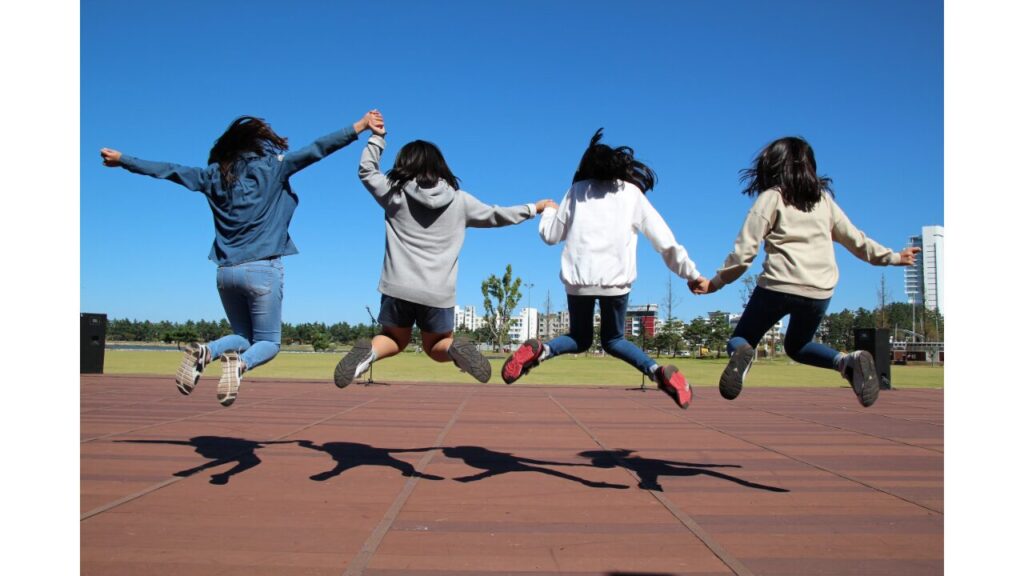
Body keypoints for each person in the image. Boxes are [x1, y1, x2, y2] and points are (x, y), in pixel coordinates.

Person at [100, 111, 385, 406]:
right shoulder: (272, 167)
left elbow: (170, 170)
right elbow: (318, 149)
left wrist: (123, 159)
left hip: (225, 273)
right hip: (262, 269)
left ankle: (207, 351)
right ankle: (239, 366)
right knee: (269, 344)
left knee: (243, 336)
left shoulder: (212, 176)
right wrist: (360, 127)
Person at [691, 136, 920, 407]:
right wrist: (894, 257)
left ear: (772, 166)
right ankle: (847, 361)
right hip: (819, 292)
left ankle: (742, 353)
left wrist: (715, 283)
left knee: (742, 338)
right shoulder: (824, 202)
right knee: (797, 346)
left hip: (777, 287)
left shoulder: (771, 198)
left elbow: (744, 254)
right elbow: (857, 242)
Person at [333, 123, 556, 387]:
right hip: (438, 293)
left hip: (397, 287)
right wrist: (534, 208)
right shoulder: (460, 201)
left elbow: (367, 171)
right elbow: (498, 215)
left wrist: (377, 138)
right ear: (441, 166)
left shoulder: (394, 193)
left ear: (404, 164)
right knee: (436, 345)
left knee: (394, 339)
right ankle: (454, 351)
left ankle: (368, 354)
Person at [501, 129, 703, 410]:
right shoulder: (631, 194)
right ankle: (657, 372)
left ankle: (541, 351)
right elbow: (664, 240)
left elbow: (549, 236)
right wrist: (691, 274)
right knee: (614, 339)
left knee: (579, 337)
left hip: (579, 281)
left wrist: (548, 209)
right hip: (616, 283)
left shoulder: (576, 192)